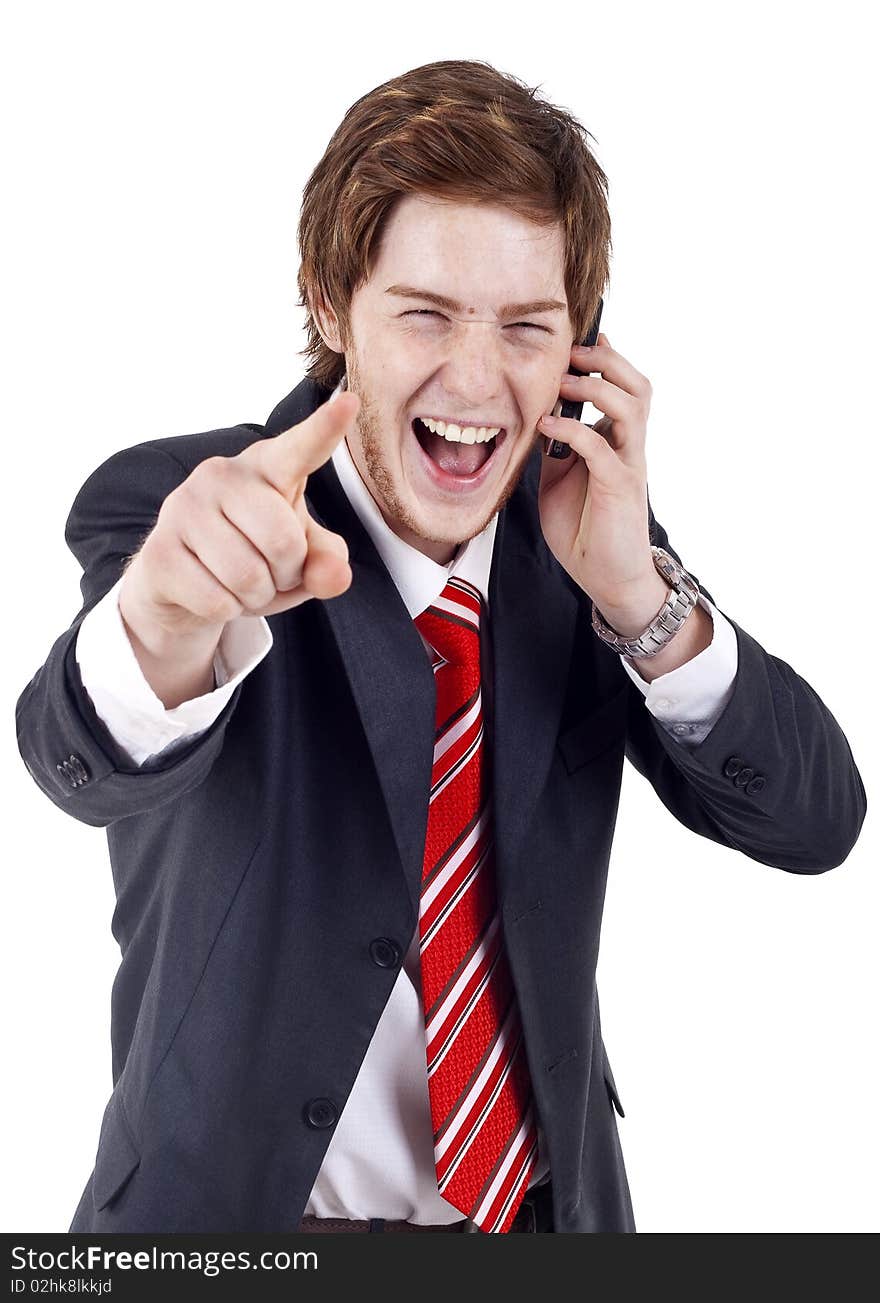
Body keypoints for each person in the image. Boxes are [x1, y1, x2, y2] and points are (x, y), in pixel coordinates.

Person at [15, 59, 866, 1235]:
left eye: (527, 326)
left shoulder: (588, 549)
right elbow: (85, 754)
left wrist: (635, 594)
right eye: (424, 313)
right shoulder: (186, 510)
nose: (475, 379)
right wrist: (162, 620)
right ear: (328, 302)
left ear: (584, 347)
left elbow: (815, 823)